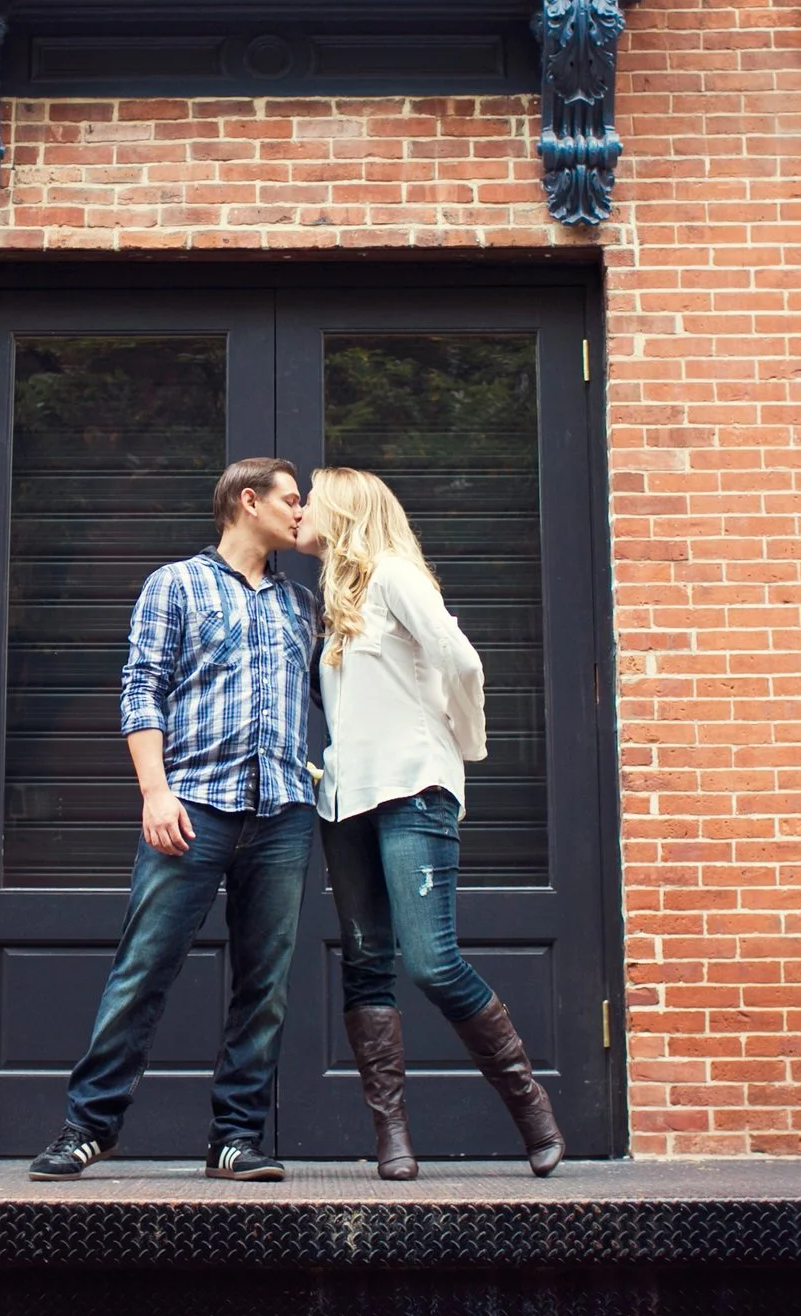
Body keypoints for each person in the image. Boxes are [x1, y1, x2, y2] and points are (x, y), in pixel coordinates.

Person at [29, 457, 319, 1183]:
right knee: (144, 967)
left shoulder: (301, 605)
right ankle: (89, 1126)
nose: (301, 512)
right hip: (191, 804)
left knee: (266, 983)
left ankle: (236, 1138)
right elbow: (141, 690)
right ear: (246, 501)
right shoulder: (176, 585)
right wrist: (155, 792)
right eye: (290, 499)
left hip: (282, 810)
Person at [300, 465, 564, 1179]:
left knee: (432, 960)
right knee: (364, 961)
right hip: (346, 801)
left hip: (415, 788)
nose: (299, 509)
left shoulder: (392, 575)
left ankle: (530, 1104)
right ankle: (392, 1138)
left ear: (347, 510)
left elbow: (462, 660)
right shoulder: (336, 600)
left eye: (312, 500)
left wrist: (463, 745)